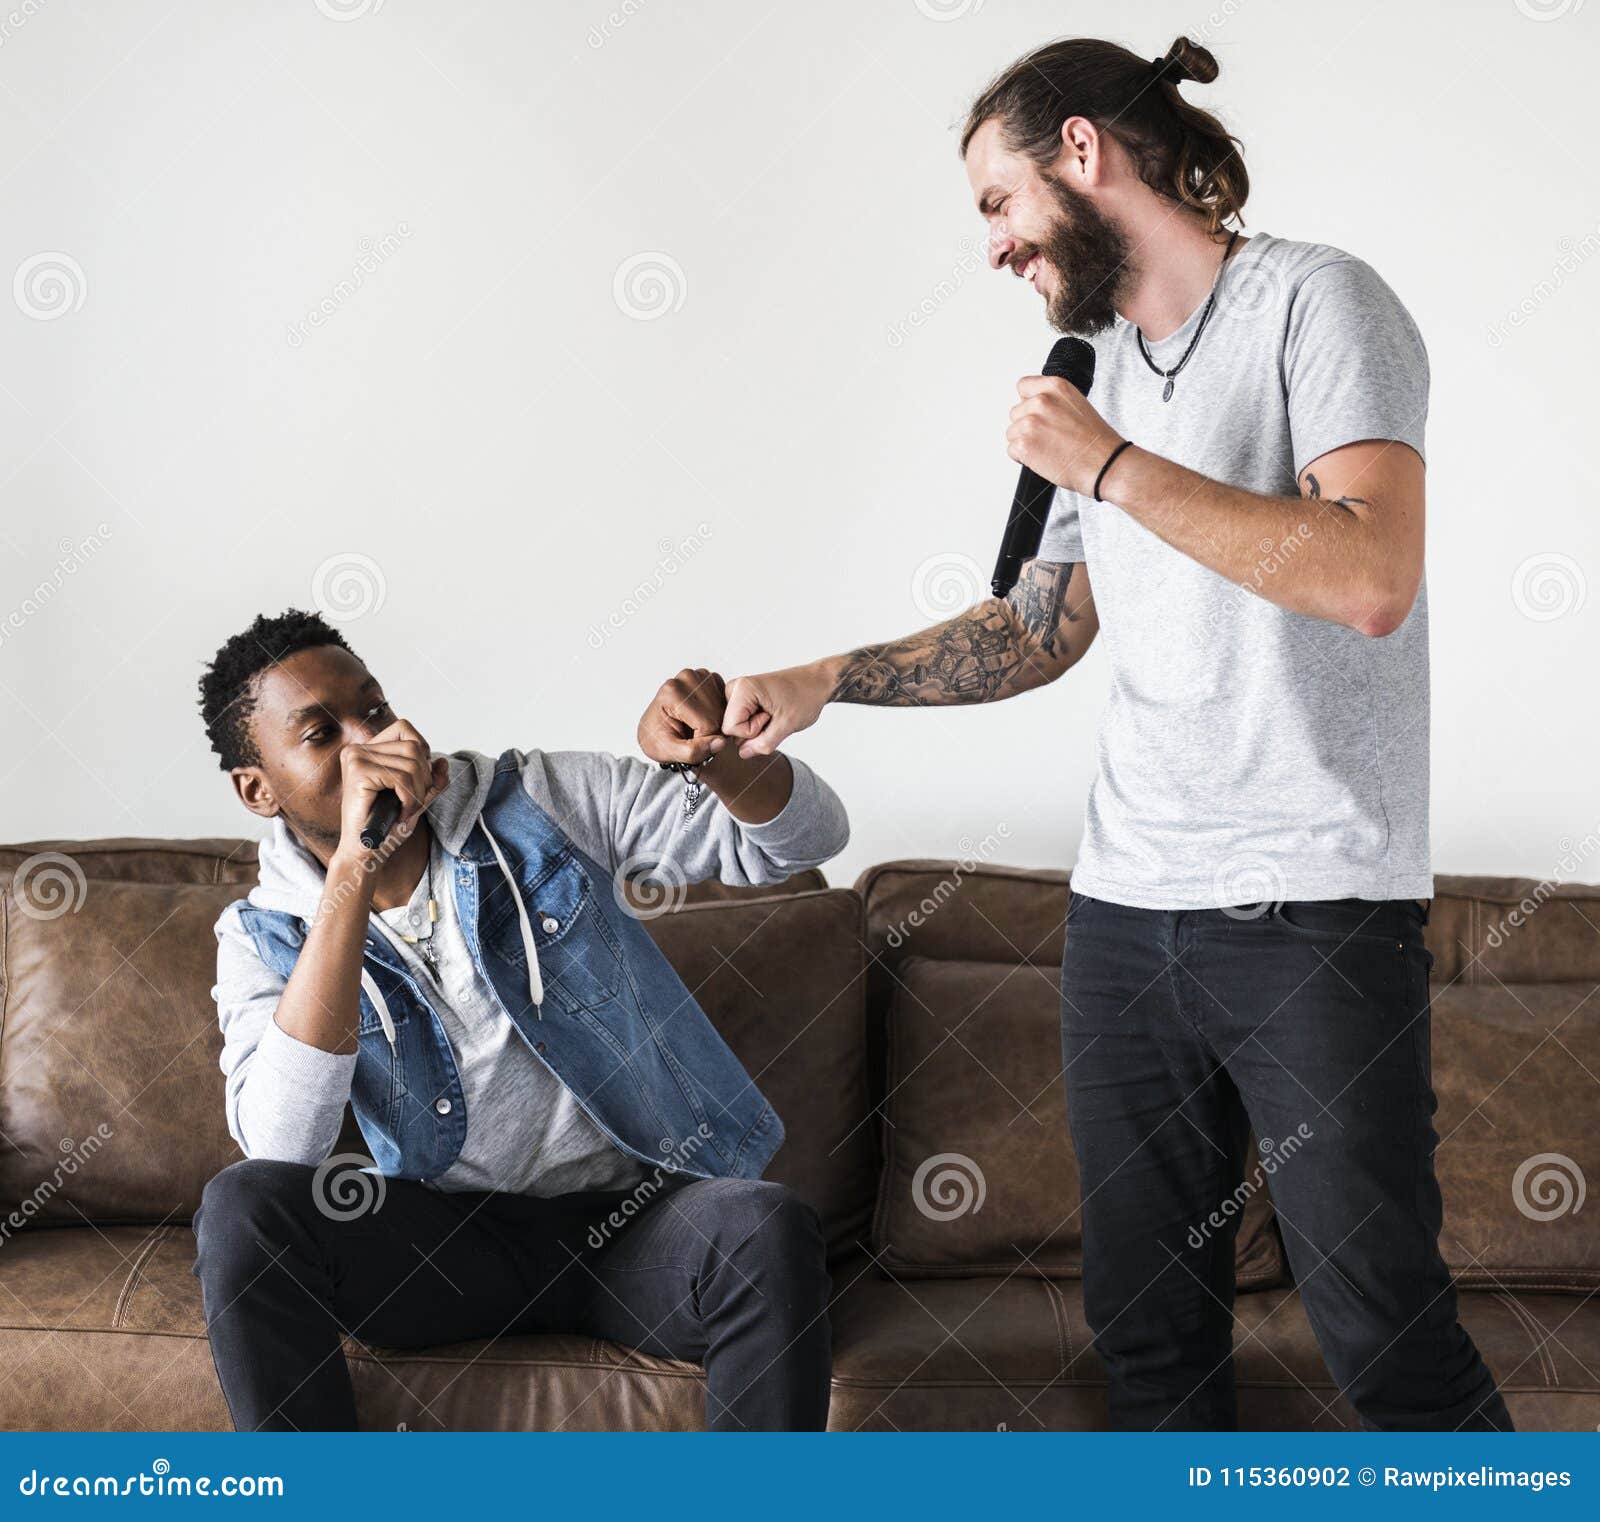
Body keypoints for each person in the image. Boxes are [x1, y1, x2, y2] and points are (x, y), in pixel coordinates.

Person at [716, 35, 1510, 1431]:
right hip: (1129, 917)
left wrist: (1114, 466)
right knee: (1149, 1347)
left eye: (996, 203)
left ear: (1083, 153)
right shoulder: (1099, 371)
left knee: (1384, 1328)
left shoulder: (1317, 305)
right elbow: (1035, 628)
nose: (994, 248)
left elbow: (1370, 577)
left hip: (1312, 907)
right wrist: (822, 678)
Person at [191, 608, 849, 1431]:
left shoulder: (538, 800)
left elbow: (804, 842)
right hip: (443, 1252)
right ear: (258, 789)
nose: (369, 742)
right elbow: (285, 1145)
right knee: (244, 1204)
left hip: (633, 1227)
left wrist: (716, 758)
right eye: (323, 733)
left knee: (768, 1224)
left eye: (374, 708)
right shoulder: (263, 936)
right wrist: (354, 873)